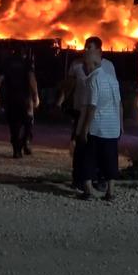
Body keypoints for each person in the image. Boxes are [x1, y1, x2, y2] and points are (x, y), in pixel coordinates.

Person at [57, 37, 117, 191]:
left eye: (89, 47)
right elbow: (69, 86)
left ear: (99, 50)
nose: (86, 50)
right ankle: (79, 179)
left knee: (98, 149)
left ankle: (97, 180)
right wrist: (60, 101)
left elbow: (113, 92)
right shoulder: (76, 65)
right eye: (85, 47)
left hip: (98, 114)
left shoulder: (108, 67)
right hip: (80, 111)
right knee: (80, 148)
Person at [76, 38, 123, 201]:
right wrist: (120, 126)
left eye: (86, 65)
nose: (85, 68)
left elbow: (92, 106)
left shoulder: (92, 80)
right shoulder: (112, 79)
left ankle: (88, 190)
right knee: (110, 159)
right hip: (112, 128)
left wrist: (84, 129)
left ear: (92, 65)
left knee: (88, 157)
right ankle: (111, 192)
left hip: (97, 128)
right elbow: (119, 104)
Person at [0, 43, 40, 158]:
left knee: (14, 124)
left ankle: (17, 150)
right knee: (28, 121)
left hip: (10, 98)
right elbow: (32, 79)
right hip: (24, 98)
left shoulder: (7, 62)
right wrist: (35, 95)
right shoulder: (27, 62)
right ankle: (25, 141)